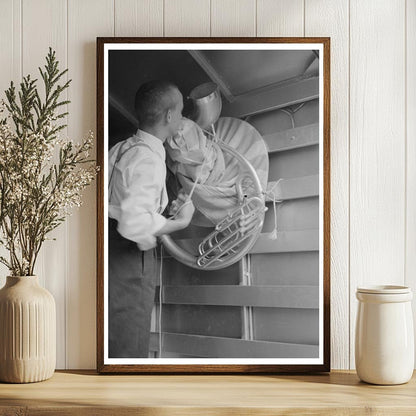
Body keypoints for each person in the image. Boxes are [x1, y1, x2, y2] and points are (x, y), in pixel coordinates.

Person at [108, 80, 195, 358]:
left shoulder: (123, 148)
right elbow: (134, 223)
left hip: (111, 253)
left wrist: (161, 213)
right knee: (128, 344)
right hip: (128, 258)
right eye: (181, 111)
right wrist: (178, 223)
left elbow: (120, 205)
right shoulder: (148, 159)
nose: (182, 117)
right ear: (169, 116)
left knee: (115, 338)